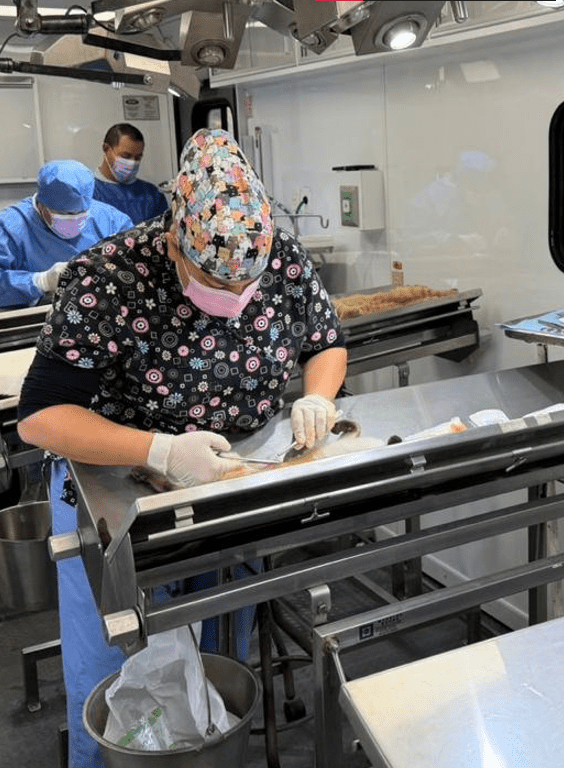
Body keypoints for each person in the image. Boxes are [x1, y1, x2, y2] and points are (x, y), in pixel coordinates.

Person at [17, 128, 348, 768]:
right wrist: (161, 452)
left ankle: (209, 748)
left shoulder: (281, 258)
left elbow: (325, 342)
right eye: (213, 282)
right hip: (119, 493)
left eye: (246, 286)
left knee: (219, 651)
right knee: (119, 671)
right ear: (174, 241)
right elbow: (41, 418)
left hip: (229, 482)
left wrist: (318, 396)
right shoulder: (108, 278)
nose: (234, 301)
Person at [0, 160, 133, 309]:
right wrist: (41, 281)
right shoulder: (10, 227)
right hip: (34, 317)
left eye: (81, 214)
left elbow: (134, 266)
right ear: (41, 204)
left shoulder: (112, 221)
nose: (73, 219)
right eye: (63, 214)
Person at [93, 122, 169, 225]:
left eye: (137, 158)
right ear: (106, 149)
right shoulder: (87, 195)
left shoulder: (152, 195)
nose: (132, 163)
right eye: (125, 156)